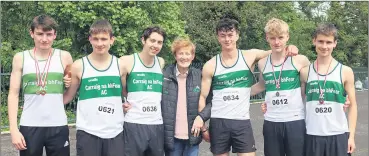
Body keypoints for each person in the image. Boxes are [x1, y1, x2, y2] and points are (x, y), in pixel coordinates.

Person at [191, 16, 298, 156]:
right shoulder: (210, 65)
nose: (227, 39)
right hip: (218, 123)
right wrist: (204, 128)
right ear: (218, 37)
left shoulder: (250, 56)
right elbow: (202, 97)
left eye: (230, 35)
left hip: (242, 122)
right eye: (223, 36)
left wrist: (290, 47)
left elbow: (276, 50)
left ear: (237, 35)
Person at [8, 15, 73, 156]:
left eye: (49, 34)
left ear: (55, 35)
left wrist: (69, 83)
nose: (44, 39)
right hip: (30, 125)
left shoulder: (65, 56)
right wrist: (13, 129)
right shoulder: (20, 58)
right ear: (32, 33)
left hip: (58, 124)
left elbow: (71, 88)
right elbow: (13, 94)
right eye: (39, 34)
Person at [63, 19, 125, 156]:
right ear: (90, 39)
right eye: (96, 39)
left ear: (112, 40)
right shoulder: (79, 65)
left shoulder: (121, 65)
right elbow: (67, 96)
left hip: (115, 132)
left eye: (104, 39)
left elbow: (128, 94)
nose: (100, 43)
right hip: (87, 132)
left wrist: (127, 105)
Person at [249, 18, 310, 156]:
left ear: (287, 36)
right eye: (273, 38)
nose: (277, 42)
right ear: (267, 38)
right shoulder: (263, 63)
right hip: (272, 121)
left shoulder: (300, 60)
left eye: (281, 37)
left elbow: (313, 83)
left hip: (295, 120)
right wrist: (239, 94)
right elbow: (262, 85)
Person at [300, 23, 357, 156]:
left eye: (328, 42)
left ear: (335, 43)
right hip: (312, 134)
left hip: (338, 134)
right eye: (320, 41)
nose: (324, 46)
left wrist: (352, 136)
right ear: (314, 41)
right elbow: (296, 100)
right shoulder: (304, 72)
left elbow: (353, 105)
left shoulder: (345, 71)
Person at [159, 37, 211, 156]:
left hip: (192, 137)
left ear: (192, 56)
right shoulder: (164, 76)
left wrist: (202, 118)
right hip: (171, 139)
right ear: (175, 56)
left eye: (187, 53)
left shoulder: (199, 76)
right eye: (180, 53)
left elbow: (211, 101)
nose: (184, 57)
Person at [119, 26, 166, 156]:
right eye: (152, 40)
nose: (155, 45)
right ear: (143, 40)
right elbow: (118, 88)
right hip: (134, 123)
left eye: (159, 42)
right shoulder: (127, 61)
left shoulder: (161, 62)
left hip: (156, 124)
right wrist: (121, 103)